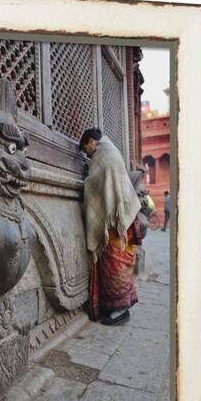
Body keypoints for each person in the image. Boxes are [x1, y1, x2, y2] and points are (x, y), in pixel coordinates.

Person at [80, 128, 142, 326]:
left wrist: (86, 179)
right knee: (121, 264)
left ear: (91, 142)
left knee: (115, 265)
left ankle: (119, 310)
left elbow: (94, 183)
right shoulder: (111, 150)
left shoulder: (102, 154)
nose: (87, 154)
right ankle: (121, 307)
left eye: (85, 149)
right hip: (125, 216)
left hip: (116, 222)